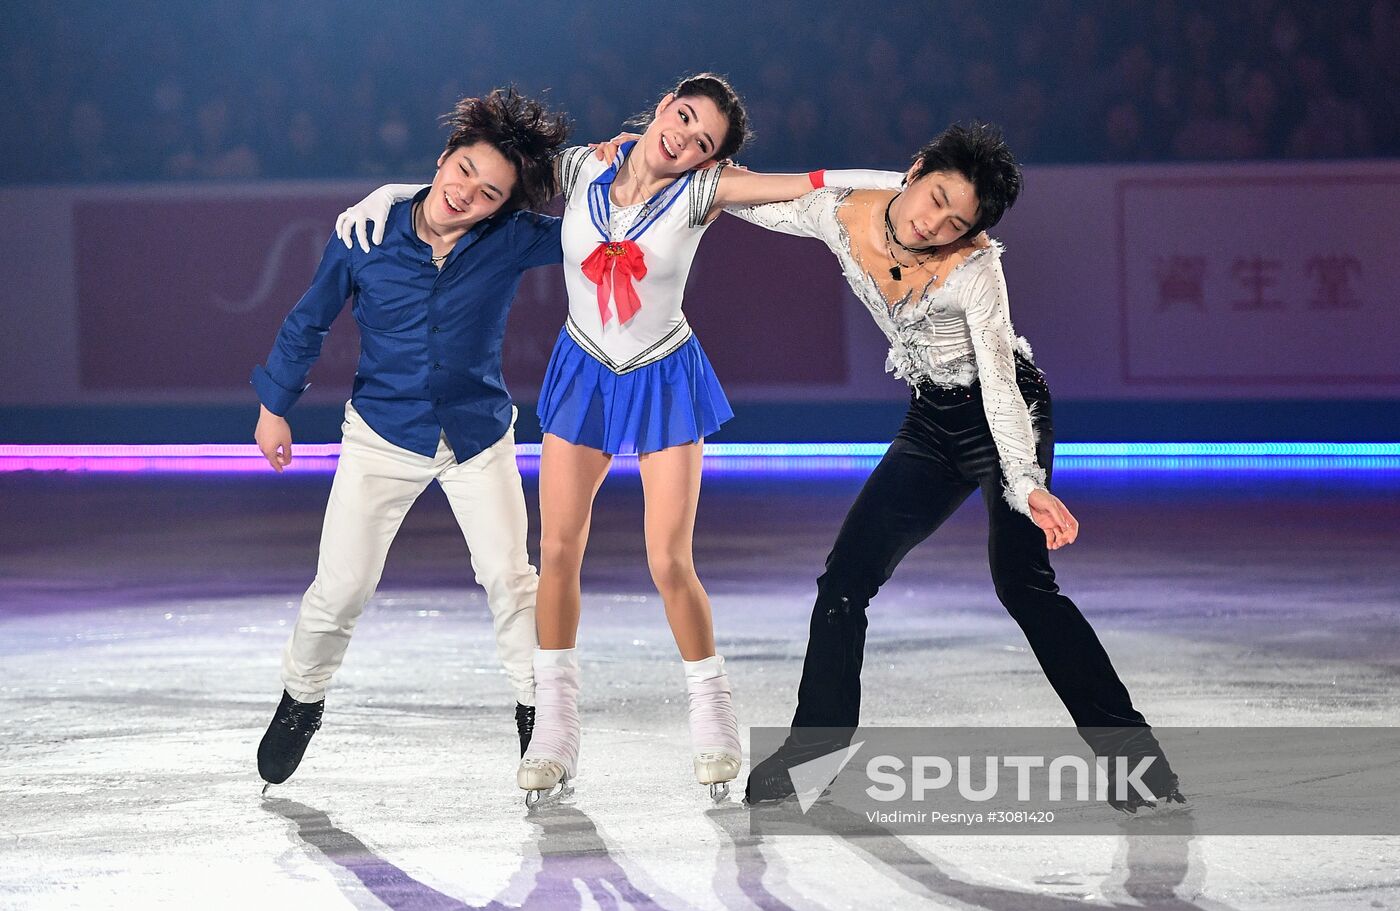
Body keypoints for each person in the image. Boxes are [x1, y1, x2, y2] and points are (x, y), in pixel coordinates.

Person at [336, 74, 887, 806]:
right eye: (684, 117)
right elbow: (480, 181)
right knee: (557, 554)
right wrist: (391, 195)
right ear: (663, 104)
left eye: (703, 142)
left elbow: (810, 182)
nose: (685, 139)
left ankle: (714, 719)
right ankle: (556, 732)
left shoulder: (701, 193)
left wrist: (906, 182)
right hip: (584, 369)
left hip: (662, 374)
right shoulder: (581, 167)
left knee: (669, 560)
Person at [726, 123, 1184, 813]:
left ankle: (1135, 761)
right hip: (931, 421)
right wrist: (687, 181)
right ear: (914, 170)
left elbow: (999, 375)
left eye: (955, 220)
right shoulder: (841, 210)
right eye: (934, 196)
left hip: (1006, 418)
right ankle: (815, 748)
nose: (932, 222)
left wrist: (1024, 480)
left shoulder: (976, 269)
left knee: (1023, 584)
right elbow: (756, 203)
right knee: (845, 580)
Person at [251, 89, 569, 792]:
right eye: (462, 172)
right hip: (381, 435)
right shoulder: (366, 233)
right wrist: (275, 407)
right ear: (443, 159)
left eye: (489, 192)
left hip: (477, 435)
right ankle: (302, 701)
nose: (466, 195)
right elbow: (309, 321)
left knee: (512, 582)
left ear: (503, 206)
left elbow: (604, 221)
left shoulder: (512, 240)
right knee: (339, 588)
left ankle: (540, 717)